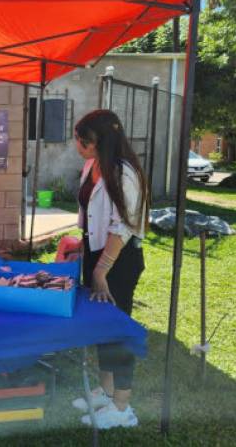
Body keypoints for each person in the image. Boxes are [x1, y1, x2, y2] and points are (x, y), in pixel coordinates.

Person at [70, 110, 148, 429]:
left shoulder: (124, 173)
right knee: (101, 328)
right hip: (96, 253)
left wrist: (101, 270)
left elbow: (122, 227)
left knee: (116, 329)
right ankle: (106, 391)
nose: (78, 145)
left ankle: (122, 407)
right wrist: (82, 247)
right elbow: (90, 213)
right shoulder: (93, 165)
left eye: (82, 141)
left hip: (118, 260)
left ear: (99, 142)